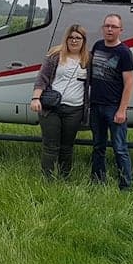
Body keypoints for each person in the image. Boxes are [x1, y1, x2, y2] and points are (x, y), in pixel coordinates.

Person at [31, 24, 89, 179]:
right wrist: (36, 98)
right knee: (50, 145)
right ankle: (47, 179)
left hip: (75, 110)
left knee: (67, 147)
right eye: (71, 37)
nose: (74, 41)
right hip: (52, 108)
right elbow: (42, 78)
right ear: (66, 39)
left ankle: (65, 178)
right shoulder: (55, 55)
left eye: (78, 38)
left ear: (83, 40)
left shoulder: (88, 60)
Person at [89, 13, 133, 190]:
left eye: (113, 27)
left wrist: (122, 110)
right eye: (107, 26)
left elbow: (129, 82)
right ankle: (97, 181)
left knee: (120, 148)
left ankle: (125, 185)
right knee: (98, 146)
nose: (109, 29)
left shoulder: (124, 52)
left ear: (120, 30)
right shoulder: (98, 46)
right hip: (96, 106)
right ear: (103, 28)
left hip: (114, 107)